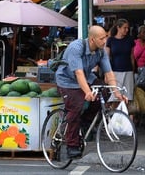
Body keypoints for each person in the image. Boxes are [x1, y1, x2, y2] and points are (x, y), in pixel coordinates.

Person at [55, 25, 127, 159]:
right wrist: (88, 92)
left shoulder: (100, 51)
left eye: (105, 37)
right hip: (67, 81)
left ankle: (85, 121)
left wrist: (116, 93)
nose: (104, 41)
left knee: (103, 92)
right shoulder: (76, 48)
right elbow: (78, 73)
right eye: (101, 39)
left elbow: (109, 73)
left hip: (87, 78)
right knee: (76, 106)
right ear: (92, 40)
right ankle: (72, 145)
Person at [105, 19, 135, 102]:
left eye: (128, 28)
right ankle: (114, 114)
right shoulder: (111, 40)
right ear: (118, 27)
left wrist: (133, 71)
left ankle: (127, 114)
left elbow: (132, 56)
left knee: (128, 97)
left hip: (128, 70)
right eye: (124, 28)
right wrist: (106, 74)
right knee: (114, 98)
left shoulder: (130, 40)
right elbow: (106, 58)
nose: (127, 30)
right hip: (115, 71)